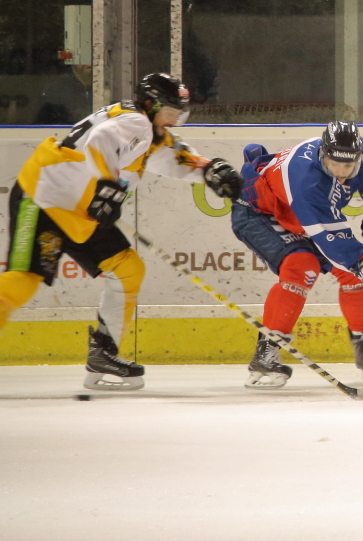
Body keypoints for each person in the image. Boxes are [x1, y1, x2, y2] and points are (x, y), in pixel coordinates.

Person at [0, 73, 243, 390]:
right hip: (43, 198)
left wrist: (209, 170)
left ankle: (104, 353)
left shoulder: (148, 130)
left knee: (128, 268)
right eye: (170, 112)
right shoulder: (136, 123)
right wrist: (109, 186)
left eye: (179, 114)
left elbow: (173, 157)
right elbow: (100, 141)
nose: (174, 121)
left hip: (79, 212)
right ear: (149, 105)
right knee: (22, 282)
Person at [230, 121, 363, 389]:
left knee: (351, 271)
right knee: (302, 265)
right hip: (261, 211)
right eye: (335, 165)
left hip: (302, 217)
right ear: (323, 153)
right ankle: (267, 352)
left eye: (349, 166)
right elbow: (329, 238)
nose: (342, 172)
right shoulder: (305, 179)